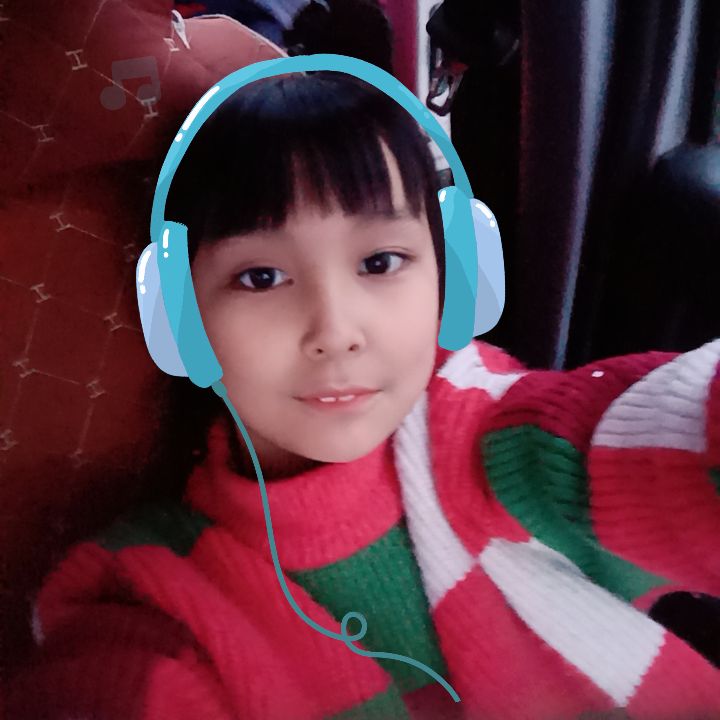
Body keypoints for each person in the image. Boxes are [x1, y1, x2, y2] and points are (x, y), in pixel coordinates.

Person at [5, 70, 720, 720]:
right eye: (261, 278)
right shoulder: (158, 592)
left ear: (454, 279)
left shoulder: (502, 442)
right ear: (179, 321)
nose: (336, 332)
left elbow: (660, 433)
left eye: (380, 261)